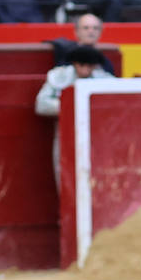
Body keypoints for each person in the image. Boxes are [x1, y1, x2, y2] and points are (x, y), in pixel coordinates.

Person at [35, 44, 113, 185]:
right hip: (66, 132)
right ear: (74, 63)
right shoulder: (59, 76)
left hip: (97, 133)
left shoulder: (104, 79)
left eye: (89, 65)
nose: (85, 69)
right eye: (82, 64)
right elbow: (41, 105)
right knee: (64, 172)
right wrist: (72, 106)